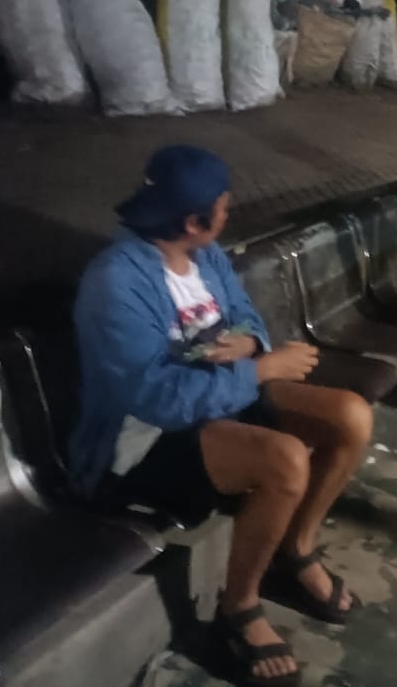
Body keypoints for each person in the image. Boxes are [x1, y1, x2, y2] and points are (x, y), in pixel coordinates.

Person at [69, 145, 373, 687]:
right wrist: (260, 371)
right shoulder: (116, 282)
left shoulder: (204, 255)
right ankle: (240, 606)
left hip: (220, 397)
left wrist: (250, 343)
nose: (229, 213)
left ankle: (295, 550)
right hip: (144, 439)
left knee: (350, 415)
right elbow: (156, 397)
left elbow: (245, 314)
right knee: (285, 461)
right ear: (193, 220)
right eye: (224, 206)